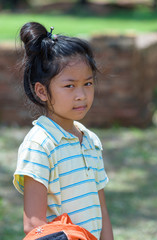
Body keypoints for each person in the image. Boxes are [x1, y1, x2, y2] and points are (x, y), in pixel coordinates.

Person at [13, 22, 114, 240]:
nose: (81, 95)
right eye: (70, 86)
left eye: (88, 83)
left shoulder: (91, 140)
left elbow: (101, 211)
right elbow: (33, 225)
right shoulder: (40, 145)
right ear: (42, 91)